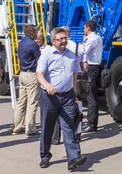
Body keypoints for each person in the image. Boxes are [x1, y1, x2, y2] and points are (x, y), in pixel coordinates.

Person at [37, 27, 85, 170]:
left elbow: (74, 75)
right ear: (53, 41)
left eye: (65, 38)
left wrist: (74, 92)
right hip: (49, 97)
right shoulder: (46, 54)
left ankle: (73, 158)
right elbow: (39, 74)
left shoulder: (71, 55)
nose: (64, 41)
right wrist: (47, 85)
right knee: (47, 128)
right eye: (61, 39)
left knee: (70, 127)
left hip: (68, 97)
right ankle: (45, 155)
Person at [52, 26, 85, 145]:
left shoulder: (51, 50)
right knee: (70, 117)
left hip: (57, 88)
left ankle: (56, 139)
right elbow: (83, 64)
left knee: (58, 115)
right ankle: (75, 137)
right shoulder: (79, 47)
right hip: (70, 86)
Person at [12, 24, 41, 136]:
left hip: (23, 73)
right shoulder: (33, 44)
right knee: (32, 102)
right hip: (31, 74)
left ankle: (17, 127)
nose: (37, 33)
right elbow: (39, 60)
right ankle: (30, 128)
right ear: (31, 33)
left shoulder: (22, 42)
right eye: (36, 31)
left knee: (21, 102)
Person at [81, 20, 103, 133]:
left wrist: (84, 41)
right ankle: (92, 122)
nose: (84, 29)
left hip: (91, 67)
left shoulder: (91, 39)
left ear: (88, 28)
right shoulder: (98, 38)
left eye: (84, 27)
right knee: (92, 95)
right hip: (96, 66)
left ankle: (91, 124)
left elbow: (84, 51)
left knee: (91, 96)